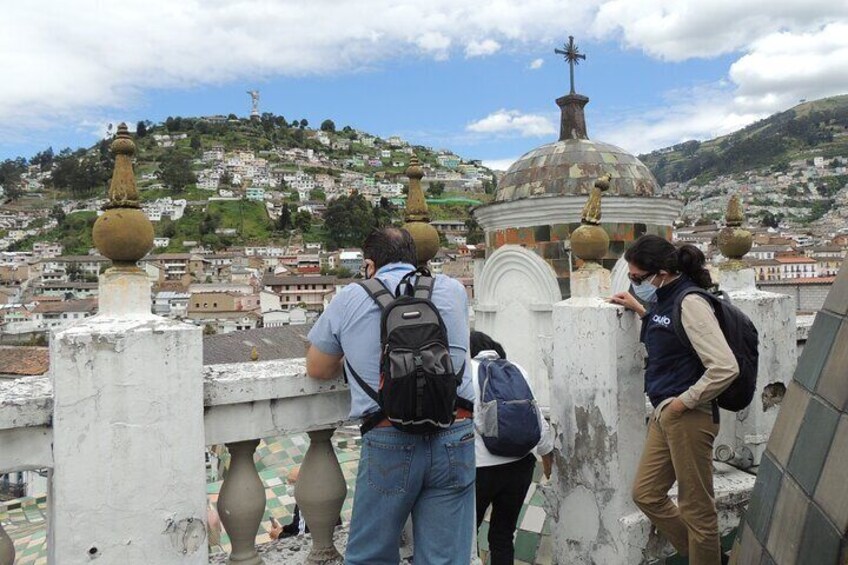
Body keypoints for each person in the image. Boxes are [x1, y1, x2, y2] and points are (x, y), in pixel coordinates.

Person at [306, 227, 475, 565]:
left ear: (370, 264)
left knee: (371, 557)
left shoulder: (349, 298)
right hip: (456, 432)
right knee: (446, 559)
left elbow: (318, 368)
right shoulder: (454, 291)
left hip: (388, 435)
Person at [610, 235, 738, 565]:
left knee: (697, 509)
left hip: (690, 414)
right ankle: (709, 556)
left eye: (638, 278)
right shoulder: (665, 299)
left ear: (663, 272)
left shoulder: (691, 302)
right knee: (646, 493)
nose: (635, 282)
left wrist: (683, 402)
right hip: (666, 413)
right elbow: (668, 330)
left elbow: (725, 367)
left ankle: (705, 558)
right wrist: (640, 310)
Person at [470, 331, 553, 565]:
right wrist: (547, 458)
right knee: (503, 533)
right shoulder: (517, 369)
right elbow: (537, 417)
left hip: (480, 469)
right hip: (520, 466)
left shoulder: (466, 370)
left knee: (467, 535)